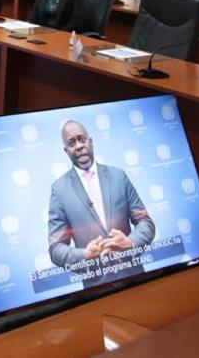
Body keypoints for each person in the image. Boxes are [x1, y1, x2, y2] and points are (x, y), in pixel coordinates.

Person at [48, 120, 155, 286]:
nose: (79, 146)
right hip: (97, 288)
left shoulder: (119, 176)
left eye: (82, 139)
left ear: (90, 142)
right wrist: (84, 255)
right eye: (72, 143)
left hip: (134, 279)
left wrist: (131, 242)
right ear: (66, 150)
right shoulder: (59, 190)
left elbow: (145, 222)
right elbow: (56, 248)